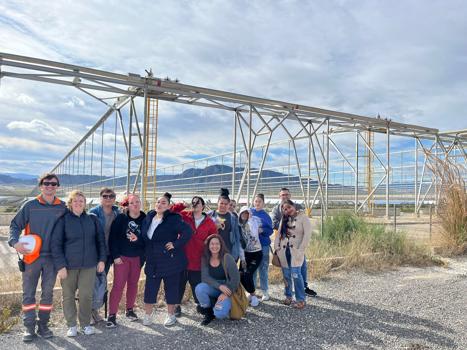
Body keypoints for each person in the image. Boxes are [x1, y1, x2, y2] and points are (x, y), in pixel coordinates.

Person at [9, 173, 66, 342]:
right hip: (31, 258)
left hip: (52, 259)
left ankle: (43, 326)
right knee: (28, 294)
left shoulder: (63, 207)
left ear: (57, 186)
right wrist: (14, 242)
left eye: (53, 184)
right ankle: (28, 328)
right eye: (46, 183)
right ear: (41, 186)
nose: (50, 186)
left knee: (47, 295)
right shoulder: (30, 206)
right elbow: (14, 225)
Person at [51, 190, 106, 336]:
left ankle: (85, 324)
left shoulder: (92, 219)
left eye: (81, 201)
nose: (78, 203)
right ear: (70, 203)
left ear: (85, 203)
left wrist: (102, 260)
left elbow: (100, 241)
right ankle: (72, 325)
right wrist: (60, 266)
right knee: (68, 296)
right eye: (75, 200)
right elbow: (56, 244)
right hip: (68, 266)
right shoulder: (63, 220)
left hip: (89, 265)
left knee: (86, 296)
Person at [141, 192, 192, 327]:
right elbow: (145, 236)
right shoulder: (149, 217)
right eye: (158, 202)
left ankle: (170, 315)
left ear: (169, 206)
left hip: (170, 259)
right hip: (152, 259)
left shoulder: (174, 219)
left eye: (164, 203)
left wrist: (175, 244)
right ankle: (147, 315)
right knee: (150, 288)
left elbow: (188, 232)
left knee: (171, 288)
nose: (160, 204)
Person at [173, 196, 217, 317]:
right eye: (193, 202)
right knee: (179, 283)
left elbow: (214, 240)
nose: (195, 204)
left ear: (203, 206)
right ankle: (176, 305)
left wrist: (211, 256)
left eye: (198, 203)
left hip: (199, 260)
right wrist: (182, 205)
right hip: (182, 257)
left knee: (197, 284)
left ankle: (200, 304)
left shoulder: (209, 222)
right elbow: (171, 212)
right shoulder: (185, 216)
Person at [106, 194, 146, 328]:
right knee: (118, 286)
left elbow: (147, 239)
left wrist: (139, 242)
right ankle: (112, 315)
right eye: (132, 202)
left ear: (141, 203)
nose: (135, 204)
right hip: (122, 257)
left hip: (137, 258)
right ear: (128, 205)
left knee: (133, 285)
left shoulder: (145, 218)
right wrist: (115, 256)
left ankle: (129, 310)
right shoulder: (121, 218)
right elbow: (113, 238)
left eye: (137, 202)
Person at [271, 187, 317, 297]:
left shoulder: (298, 207)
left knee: (301, 267)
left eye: (287, 194)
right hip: (283, 244)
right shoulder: (276, 209)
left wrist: (301, 247)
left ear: (290, 196)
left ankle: (303, 288)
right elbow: (274, 223)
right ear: (279, 196)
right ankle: (289, 293)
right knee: (286, 271)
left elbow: (304, 226)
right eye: (283, 195)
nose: (285, 196)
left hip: (297, 245)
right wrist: (287, 227)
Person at [88, 187, 120, 323]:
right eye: (105, 196)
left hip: (108, 254)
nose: (108, 199)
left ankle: (94, 310)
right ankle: (87, 312)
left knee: (101, 283)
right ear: (100, 198)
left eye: (111, 196)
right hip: (94, 254)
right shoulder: (93, 213)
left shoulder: (117, 213)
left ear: (114, 198)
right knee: (89, 282)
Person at [274, 199, 312, 309]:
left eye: (289, 207)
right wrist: (277, 247)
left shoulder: (303, 218)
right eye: (284, 209)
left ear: (293, 206)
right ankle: (288, 296)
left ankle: (301, 299)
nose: (287, 210)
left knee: (296, 274)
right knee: (286, 275)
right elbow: (278, 235)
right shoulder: (284, 220)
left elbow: (307, 235)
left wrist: (301, 250)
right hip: (283, 251)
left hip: (296, 252)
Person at [195, 234, 240, 325]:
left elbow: (235, 279)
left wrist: (226, 293)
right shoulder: (205, 258)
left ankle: (217, 305)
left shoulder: (227, 257)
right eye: (212, 244)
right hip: (214, 287)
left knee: (220, 314)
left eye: (217, 244)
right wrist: (219, 286)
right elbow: (205, 277)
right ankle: (208, 312)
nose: (214, 246)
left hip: (227, 288)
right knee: (200, 288)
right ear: (208, 246)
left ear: (221, 245)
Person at [250, 193, 273, 301]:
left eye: (259, 201)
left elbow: (270, 230)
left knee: (263, 268)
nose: (257, 203)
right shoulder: (250, 212)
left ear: (263, 203)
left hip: (263, 245)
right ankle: (252, 291)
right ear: (253, 202)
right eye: (256, 201)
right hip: (252, 246)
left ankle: (265, 291)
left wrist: (262, 230)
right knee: (252, 269)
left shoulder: (266, 216)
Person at [238, 206, 262, 307]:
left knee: (248, 274)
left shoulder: (254, 222)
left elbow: (254, 231)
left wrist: (251, 218)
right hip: (246, 254)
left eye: (247, 213)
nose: (245, 215)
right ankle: (251, 294)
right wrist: (242, 259)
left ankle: (253, 295)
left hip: (256, 253)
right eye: (243, 213)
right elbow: (240, 244)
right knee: (240, 275)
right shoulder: (239, 227)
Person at [208, 188, 242, 261]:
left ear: (229, 205)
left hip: (228, 251)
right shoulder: (210, 215)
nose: (223, 206)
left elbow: (237, 237)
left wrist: (239, 254)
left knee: (226, 271)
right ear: (218, 203)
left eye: (226, 204)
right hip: (213, 251)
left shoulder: (233, 218)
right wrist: (215, 228)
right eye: (221, 203)